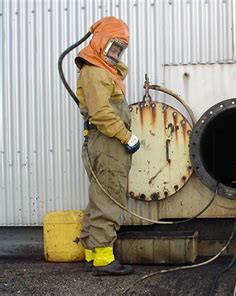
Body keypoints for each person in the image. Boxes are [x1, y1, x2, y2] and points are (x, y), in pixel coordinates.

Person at [75, 16, 140, 276]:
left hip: (104, 143)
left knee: (98, 198)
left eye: (120, 49)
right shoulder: (96, 71)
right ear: (101, 41)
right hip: (109, 143)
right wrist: (127, 137)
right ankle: (103, 259)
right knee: (109, 198)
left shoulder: (101, 70)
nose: (116, 54)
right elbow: (101, 112)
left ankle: (92, 253)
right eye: (114, 47)